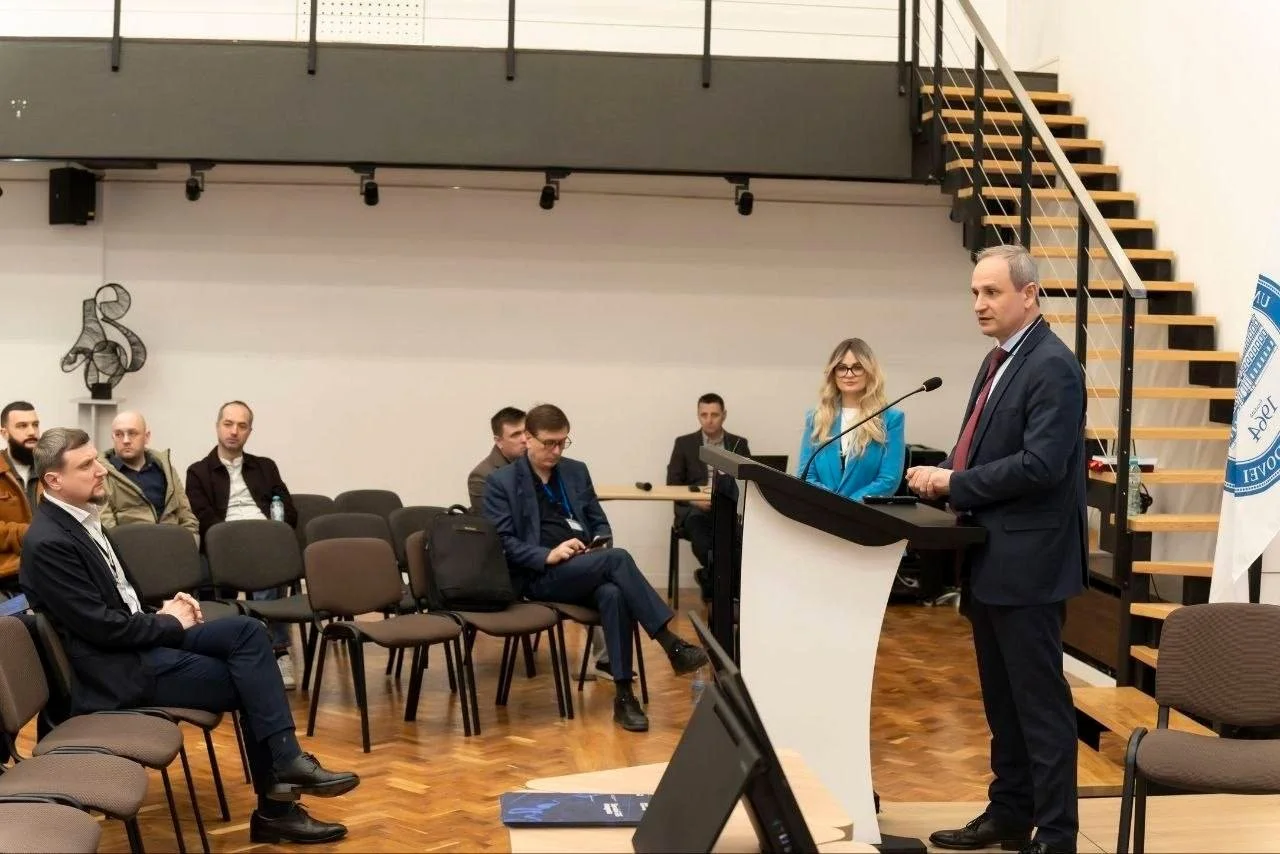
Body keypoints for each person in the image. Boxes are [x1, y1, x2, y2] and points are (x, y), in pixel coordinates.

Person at [19, 428, 359, 845]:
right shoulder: (49, 541)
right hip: (117, 670)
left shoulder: (84, 520)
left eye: (96, 460)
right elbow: (103, 628)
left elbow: (120, 606)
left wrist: (162, 612)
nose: (101, 470)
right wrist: (170, 623)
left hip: (136, 643)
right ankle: (277, 807)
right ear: (54, 480)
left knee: (248, 631)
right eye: (86, 465)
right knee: (251, 679)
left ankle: (286, 764)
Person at [906, 244, 1086, 854]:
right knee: (1003, 704)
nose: (979, 304)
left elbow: (1041, 464)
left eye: (992, 292)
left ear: (1029, 295)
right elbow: (981, 449)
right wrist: (939, 473)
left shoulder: (1053, 365)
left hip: (1030, 566)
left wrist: (954, 482)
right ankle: (1010, 813)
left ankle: (1056, 834)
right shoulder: (998, 360)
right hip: (988, 558)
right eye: (975, 293)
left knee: (1039, 707)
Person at [483, 403, 709, 733]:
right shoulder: (500, 482)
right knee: (618, 559)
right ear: (528, 439)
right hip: (539, 575)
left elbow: (599, 522)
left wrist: (596, 543)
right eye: (549, 443)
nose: (557, 451)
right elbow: (503, 543)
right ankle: (670, 643)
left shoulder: (576, 471)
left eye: (563, 442)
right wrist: (548, 554)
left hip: (583, 565)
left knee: (613, 593)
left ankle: (624, 697)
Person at [186, 401, 300, 687]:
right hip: (224, 546)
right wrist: (233, 538)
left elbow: (289, 511)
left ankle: (277, 651)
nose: (234, 431)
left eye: (242, 425)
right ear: (217, 426)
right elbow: (204, 517)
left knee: (272, 564)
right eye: (228, 424)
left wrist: (268, 532)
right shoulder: (199, 471)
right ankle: (247, 648)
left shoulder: (265, 467)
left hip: (264, 542)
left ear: (249, 431)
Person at [665, 393, 751, 601]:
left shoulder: (738, 443)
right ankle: (721, 588)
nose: (709, 420)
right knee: (706, 545)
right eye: (704, 415)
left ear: (724, 415)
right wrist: (695, 501)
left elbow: (748, 481)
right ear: (698, 415)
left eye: (714, 414)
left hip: (729, 509)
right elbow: (673, 484)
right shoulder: (684, 443)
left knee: (740, 545)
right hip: (695, 510)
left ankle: (708, 579)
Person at [796, 339, 906, 501]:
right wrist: (831, 503)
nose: (849, 374)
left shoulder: (891, 419)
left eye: (857, 367)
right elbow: (805, 475)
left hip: (864, 513)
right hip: (821, 510)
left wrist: (848, 506)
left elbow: (888, 480)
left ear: (869, 371)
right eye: (842, 368)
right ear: (833, 373)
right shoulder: (816, 418)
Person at [100, 411, 200, 543]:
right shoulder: (100, 473)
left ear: (146, 437)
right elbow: (106, 525)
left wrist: (191, 543)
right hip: (132, 547)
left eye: (132, 433)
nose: (126, 440)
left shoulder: (165, 468)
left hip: (173, 545)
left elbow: (185, 514)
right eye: (119, 434)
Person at [0, 401, 40, 583]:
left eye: (35, 424)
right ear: (4, 433)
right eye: (22, 426)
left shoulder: (51, 470)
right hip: (8, 574)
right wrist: (27, 533)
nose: (32, 432)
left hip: (50, 567)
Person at [467, 407, 527, 513]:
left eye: (526, 432)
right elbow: (492, 521)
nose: (524, 439)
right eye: (515, 435)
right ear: (499, 442)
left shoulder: (540, 460)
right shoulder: (482, 476)